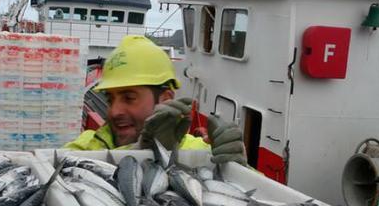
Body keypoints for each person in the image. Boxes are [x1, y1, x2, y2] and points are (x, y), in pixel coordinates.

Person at [65, 36, 246, 165]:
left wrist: (237, 168)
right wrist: (141, 150)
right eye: (110, 99)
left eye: (129, 98)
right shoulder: (87, 144)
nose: (114, 111)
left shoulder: (201, 152)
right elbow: (48, 176)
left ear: (165, 100)